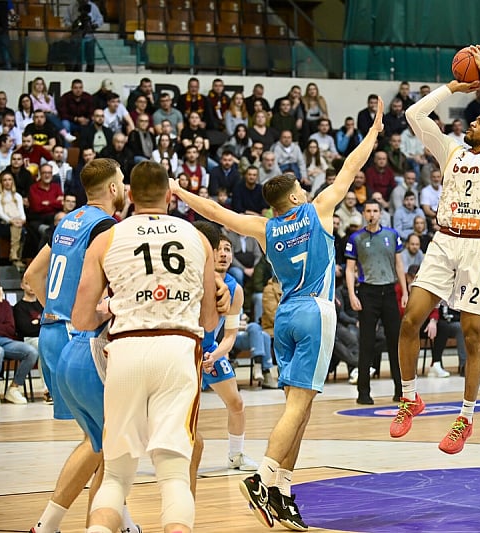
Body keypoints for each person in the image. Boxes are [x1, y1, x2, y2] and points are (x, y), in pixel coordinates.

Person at [168, 98, 385, 531]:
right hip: (315, 312)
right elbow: (351, 167)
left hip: (283, 316)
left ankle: (283, 490)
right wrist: (374, 131)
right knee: (299, 408)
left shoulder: (265, 227)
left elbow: (216, 212)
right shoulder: (318, 209)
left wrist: (179, 191)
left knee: (298, 411)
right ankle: (264, 477)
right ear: (295, 196)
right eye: (300, 189)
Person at [70, 161, 217, 533]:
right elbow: (211, 321)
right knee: (173, 475)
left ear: (130, 196)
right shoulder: (197, 238)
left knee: (116, 476)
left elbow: (82, 320)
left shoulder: (107, 239)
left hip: (126, 351)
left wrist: (119, 303)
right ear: (170, 195)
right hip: (178, 350)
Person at [391, 45, 480, 455]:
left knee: (472, 334)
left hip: (477, 248)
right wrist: (451, 86)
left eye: (479, 120)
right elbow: (414, 116)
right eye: (473, 119)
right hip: (444, 240)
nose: (474, 122)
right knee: (410, 319)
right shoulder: (451, 151)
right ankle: (409, 397)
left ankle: (465, 417)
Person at [23, 159, 141, 533]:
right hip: (82, 338)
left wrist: (56, 312)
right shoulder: (106, 227)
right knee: (108, 442)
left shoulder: (66, 223)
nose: (123, 188)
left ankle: (105, 522)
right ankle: (100, 525)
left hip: (52, 334)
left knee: (99, 440)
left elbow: (30, 276)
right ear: (112, 189)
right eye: (122, 182)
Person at [196, 225, 259, 470]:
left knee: (237, 404)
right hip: (183, 349)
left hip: (210, 349)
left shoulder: (235, 289)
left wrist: (216, 354)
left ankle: (236, 455)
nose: (223, 254)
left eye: (228, 249)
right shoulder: (193, 278)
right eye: (218, 249)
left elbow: (231, 335)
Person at [345, 199, 406, 404]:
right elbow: (349, 269)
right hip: (368, 292)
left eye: (375, 210)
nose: (372, 214)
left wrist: (405, 292)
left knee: (395, 342)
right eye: (369, 211)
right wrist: (353, 295)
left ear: (381, 213)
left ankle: (401, 390)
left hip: (389, 291)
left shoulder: (392, 235)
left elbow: (399, 265)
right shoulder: (356, 238)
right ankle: (364, 392)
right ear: (364, 214)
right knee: (367, 343)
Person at [0, 267, 39, 405]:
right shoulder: (1, 301)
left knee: (31, 352)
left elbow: (10, 328)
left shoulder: (5, 304)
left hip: (5, 340)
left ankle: (14, 388)